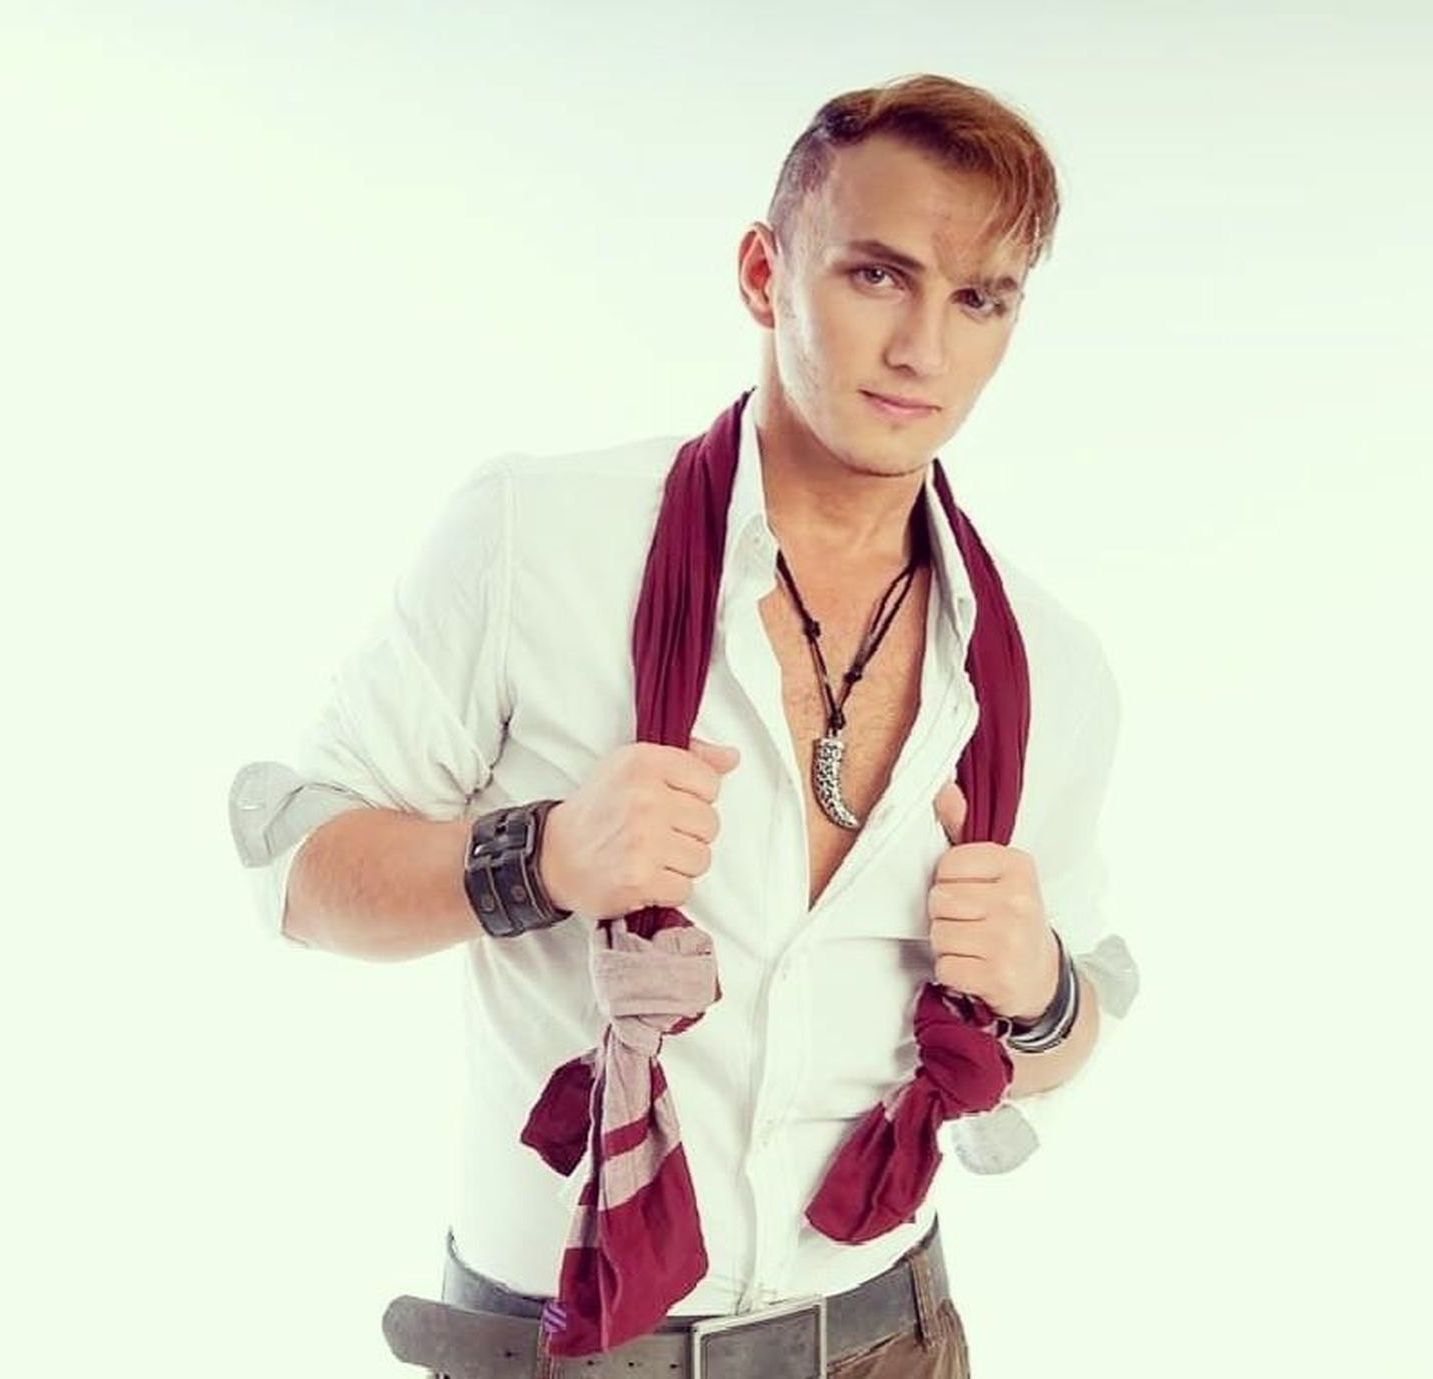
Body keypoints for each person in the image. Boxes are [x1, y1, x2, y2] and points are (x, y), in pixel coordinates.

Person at [229, 72, 1140, 1379]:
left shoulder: (1046, 663)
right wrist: (539, 857)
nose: (923, 350)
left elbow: (1074, 1021)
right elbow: (298, 877)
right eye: (877, 276)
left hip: (894, 1342)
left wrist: (1042, 994)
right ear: (765, 274)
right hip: (570, 1352)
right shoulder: (538, 539)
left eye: (978, 299)